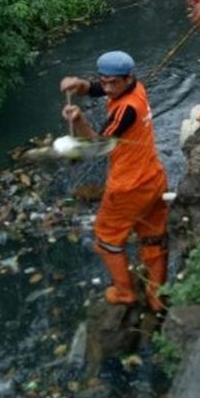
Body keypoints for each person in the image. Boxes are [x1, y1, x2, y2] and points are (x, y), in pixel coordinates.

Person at [61, 51, 168, 311]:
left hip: (129, 187)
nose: (107, 88)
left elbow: (100, 147)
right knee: (153, 236)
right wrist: (81, 85)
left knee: (106, 240)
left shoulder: (125, 111)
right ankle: (157, 296)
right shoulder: (136, 89)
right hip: (153, 178)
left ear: (128, 78)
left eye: (113, 83)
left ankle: (124, 293)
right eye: (104, 81)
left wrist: (79, 120)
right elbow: (99, 89)